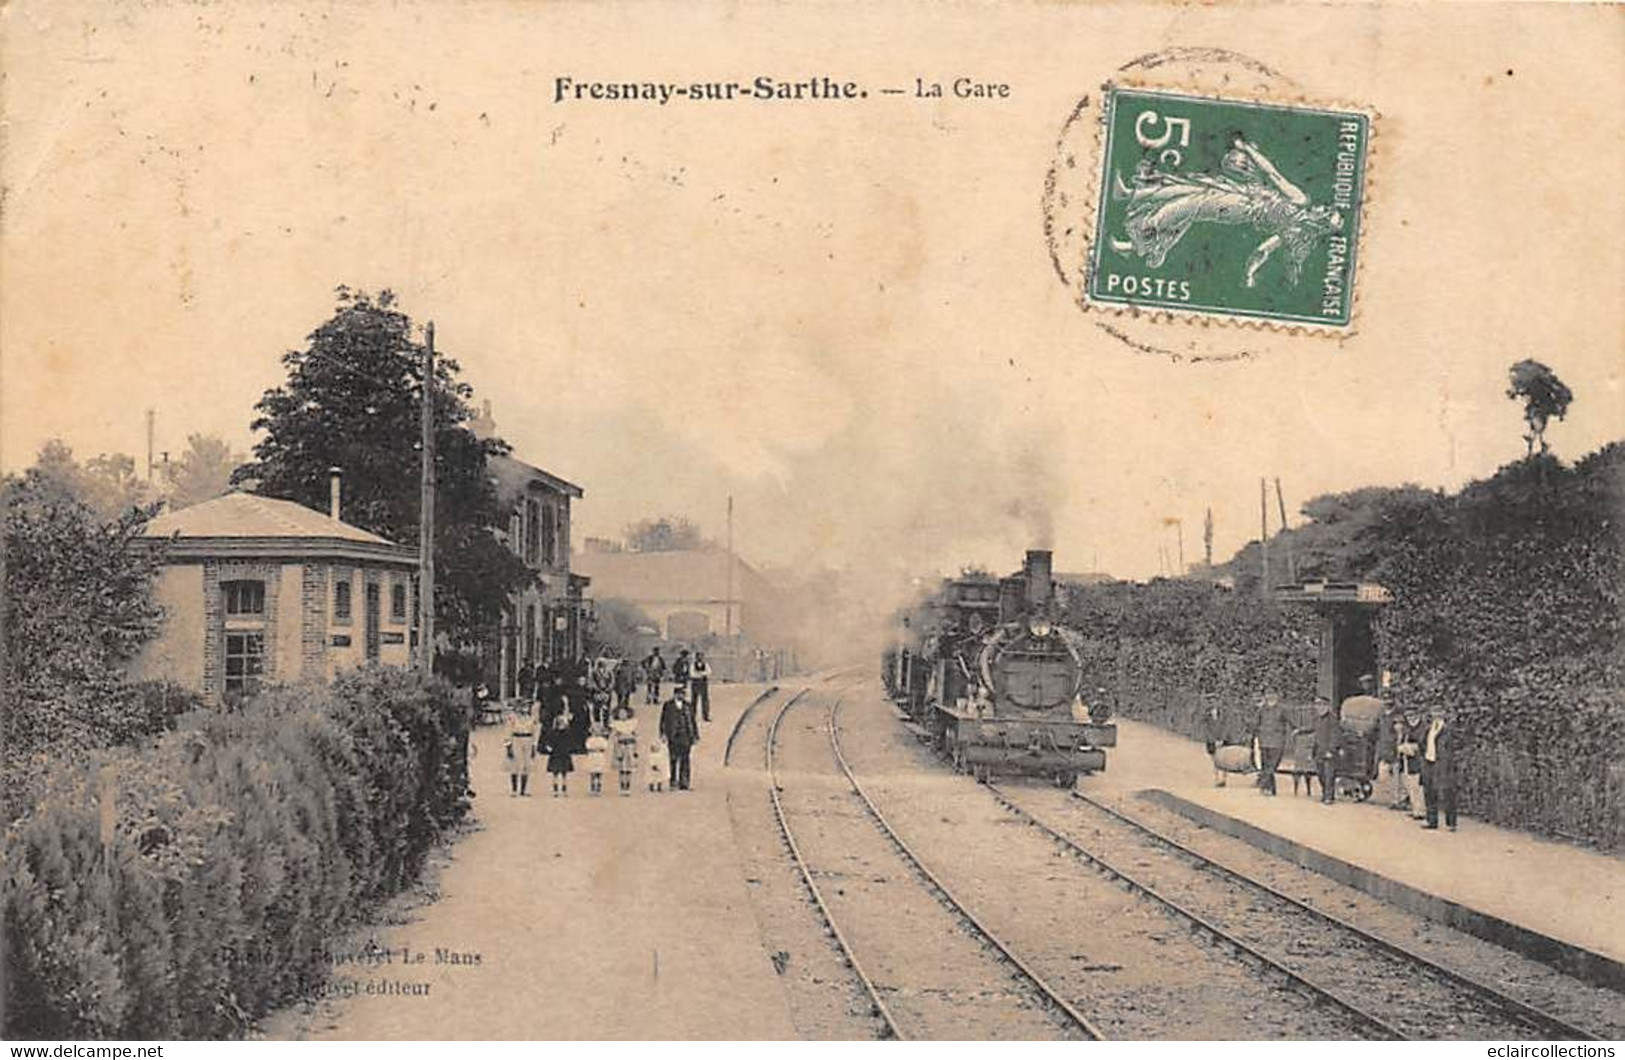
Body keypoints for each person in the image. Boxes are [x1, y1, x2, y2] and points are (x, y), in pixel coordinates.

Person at [1420, 710, 1459, 831]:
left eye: (1439, 713)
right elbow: (1422, 743)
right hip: (1429, 762)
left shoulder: (1449, 730)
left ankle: (1451, 822)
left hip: (1443, 764)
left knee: (1447, 792)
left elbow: (1454, 747)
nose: (1436, 716)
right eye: (1434, 713)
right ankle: (1432, 820)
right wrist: (1425, 756)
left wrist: (1448, 761)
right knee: (1429, 792)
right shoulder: (1428, 729)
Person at [659, 684, 700, 791]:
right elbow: (663, 720)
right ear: (675, 694)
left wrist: (695, 735)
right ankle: (673, 781)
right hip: (673, 736)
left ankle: (684, 782)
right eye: (679, 693)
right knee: (673, 759)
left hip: (686, 735)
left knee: (685, 759)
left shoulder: (688, 706)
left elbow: (692, 721)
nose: (681, 695)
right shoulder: (668, 705)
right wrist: (662, 733)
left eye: (683, 694)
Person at [1396, 707, 1428, 820]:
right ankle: (1415, 809)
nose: (1411, 718)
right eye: (1408, 717)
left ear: (1418, 715)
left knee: (1418, 786)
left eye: (1412, 716)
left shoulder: (1422, 728)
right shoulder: (1408, 729)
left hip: (1419, 761)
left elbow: (1423, 744)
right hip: (1407, 760)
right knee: (1410, 785)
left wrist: (1411, 748)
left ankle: (1421, 810)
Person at [1254, 691, 1289, 796]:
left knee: (1272, 765)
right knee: (1266, 765)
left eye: (1273, 694)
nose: (1270, 696)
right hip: (1264, 741)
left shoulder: (1282, 709)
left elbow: (1291, 722)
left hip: (1277, 741)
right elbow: (1255, 723)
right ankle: (1270, 789)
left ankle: (1263, 783)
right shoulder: (1261, 709)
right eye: (1268, 694)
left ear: (1277, 696)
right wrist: (1258, 733)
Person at [1311, 695, 1340, 804]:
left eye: (1322, 705)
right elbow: (1312, 729)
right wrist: (1299, 731)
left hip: (1328, 751)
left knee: (1329, 775)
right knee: (1320, 774)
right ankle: (1325, 794)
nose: (1319, 707)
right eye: (1317, 705)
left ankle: (1329, 797)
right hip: (1318, 750)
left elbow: (1335, 736)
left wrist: (1331, 750)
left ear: (1327, 706)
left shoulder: (1333, 719)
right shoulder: (1317, 719)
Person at [541, 707, 575, 797]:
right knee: (555, 773)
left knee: (564, 773)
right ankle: (555, 790)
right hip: (556, 753)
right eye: (560, 721)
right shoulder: (553, 732)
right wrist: (549, 748)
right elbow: (548, 742)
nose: (561, 723)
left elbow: (570, 741)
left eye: (562, 721)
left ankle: (564, 789)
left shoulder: (567, 732)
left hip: (564, 753)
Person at [505, 703, 537, 797]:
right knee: (515, 764)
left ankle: (523, 790)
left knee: (527, 765)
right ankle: (514, 790)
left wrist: (534, 747)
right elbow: (507, 732)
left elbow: (534, 733)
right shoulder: (512, 717)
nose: (523, 709)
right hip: (516, 738)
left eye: (526, 707)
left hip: (528, 739)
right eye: (521, 707)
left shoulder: (532, 718)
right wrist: (508, 746)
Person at [610, 701, 639, 796]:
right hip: (620, 746)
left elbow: (636, 738)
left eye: (624, 713)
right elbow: (614, 737)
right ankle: (622, 785)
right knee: (622, 768)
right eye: (620, 713)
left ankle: (628, 785)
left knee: (629, 768)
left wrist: (635, 749)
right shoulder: (616, 724)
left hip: (630, 746)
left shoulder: (632, 724)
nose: (623, 715)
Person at [1201, 697, 1228, 787]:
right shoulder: (1206, 714)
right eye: (1210, 702)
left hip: (1222, 739)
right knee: (1215, 760)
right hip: (1211, 740)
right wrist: (1212, 739)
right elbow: (1205, 728)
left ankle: (1224, 779)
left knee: (1224, 759)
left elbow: (1226, 726)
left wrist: (1222, 738)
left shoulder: (1223, 714)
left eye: (1214, 702)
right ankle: (1217, 779)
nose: (1213, 704)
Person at [582, 724, 609, 797]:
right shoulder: (590, 739)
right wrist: (595, 748)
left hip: (599, 756)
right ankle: (592, 788)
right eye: (595, 730)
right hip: (592, 756)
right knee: (592, 774)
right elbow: (588, 746)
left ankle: (598, 788)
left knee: (599, 774)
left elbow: (604, 747)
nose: (596, 732)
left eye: (598, 730)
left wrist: (598, 748)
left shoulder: (603, 740)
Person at [690, 651, 713, 722]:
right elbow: (692, 674)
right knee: (694, 700)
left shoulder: (705, 664)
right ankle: (692, 716)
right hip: (695, 684)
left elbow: (709, 672)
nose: (700, 658)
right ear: (696, 657)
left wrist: (699, 674)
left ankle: (705, 716)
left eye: (701, 656)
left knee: (705, 700)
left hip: (703, 684)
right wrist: (702, 674)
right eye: (698, 656)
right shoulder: (693, 665)